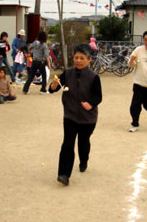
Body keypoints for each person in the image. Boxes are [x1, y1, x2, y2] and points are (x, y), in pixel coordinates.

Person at [49, 44, 102, 186]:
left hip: (88, 118)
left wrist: (90, 104)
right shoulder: (68, 73)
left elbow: (98, 97)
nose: (78, 60)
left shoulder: (94, 77)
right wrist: (54, 85)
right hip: (70, 115)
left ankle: (84, 160)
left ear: (89, 59)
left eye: (82, 58)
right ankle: (64, 174)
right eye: (76, 57)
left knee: (83, 143)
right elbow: (53, 89)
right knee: (68, 144)